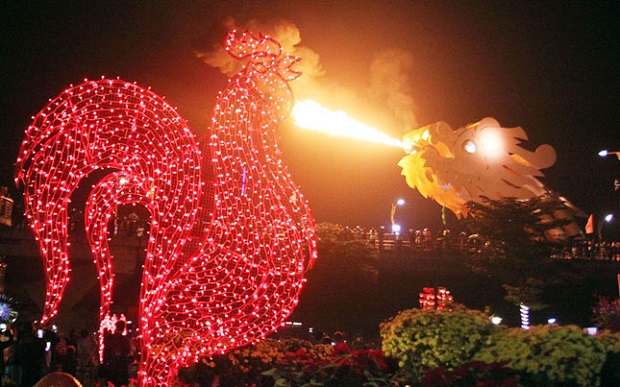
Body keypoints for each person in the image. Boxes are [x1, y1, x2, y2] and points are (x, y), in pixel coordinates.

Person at [101, 320, 130, 386]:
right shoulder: (124, 339)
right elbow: (127, 350)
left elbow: (106, 351)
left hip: (111, 365)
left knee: (111, 383)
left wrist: (105, 362)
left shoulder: (110, 337)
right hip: (121, 365)